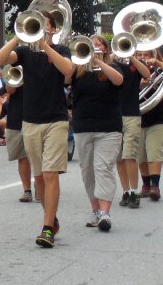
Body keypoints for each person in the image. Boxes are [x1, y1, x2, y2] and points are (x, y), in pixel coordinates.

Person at [0, 11, 74, 248]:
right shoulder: (23, 53)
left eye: (44, 25)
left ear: (52, 29)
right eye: (36, 25)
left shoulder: (60, 50)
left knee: (50, 174)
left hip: (56, 120)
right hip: (30, 121)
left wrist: (45, 46)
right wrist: (17, 36)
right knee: (39, 177)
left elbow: (68, 70)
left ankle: (47, 227)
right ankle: (51, 216)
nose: (39, 28)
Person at [70, 35, 124, 231]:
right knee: (87, 170)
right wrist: (78, 61)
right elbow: (66, 79)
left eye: (98, 45)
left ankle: (105, 213)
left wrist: (99, 61)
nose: (94, 47)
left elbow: (118, 81)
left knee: (103, 168)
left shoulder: (113, 66)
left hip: (109, 126)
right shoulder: (79, 69)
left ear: (105, 48)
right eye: (91, 45)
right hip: (83, 125)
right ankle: (95, 210)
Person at [116, 49, 151, 207]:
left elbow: (147, 74)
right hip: (114, 116)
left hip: (131, 115)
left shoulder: (137, 64)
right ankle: (125, 191)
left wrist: (131, 57)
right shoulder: (112, 64)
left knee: (129, 155)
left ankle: (134, 192)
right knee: (119, 158)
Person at [4, 82, 35, 203]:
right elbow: (9, 90)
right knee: (22, 157)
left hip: (36, 113)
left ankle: (40, 183)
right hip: (16, 116)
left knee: (39, 154)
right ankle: (27, 190)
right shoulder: (12, 66)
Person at [139, 49, 163, 202]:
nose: (143, 58)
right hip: (138, 117)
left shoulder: (159, 70)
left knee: (154, 151)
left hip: (158, 117)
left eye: (146, 55)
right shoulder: (133, 71)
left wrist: (158, 63)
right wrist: (139, 84)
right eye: (139, 55)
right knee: (140, 154)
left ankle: (155, 185)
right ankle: (145, 185)